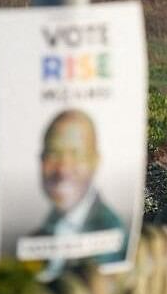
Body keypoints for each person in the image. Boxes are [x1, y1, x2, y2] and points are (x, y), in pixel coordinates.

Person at [26, 109, 127, 277]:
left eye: (76, 154)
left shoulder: (112, 235)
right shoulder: (38, 232)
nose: (63, 169)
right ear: (41, 160)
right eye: (53, 154)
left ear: (95, 161)